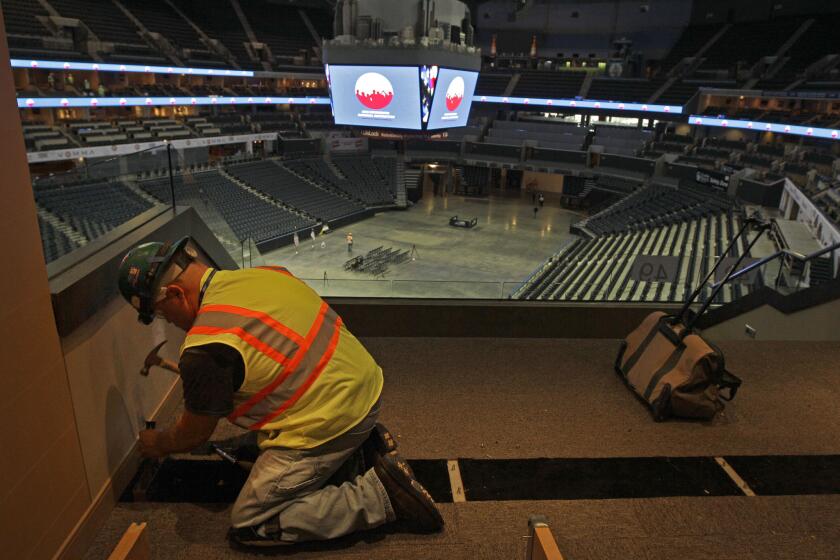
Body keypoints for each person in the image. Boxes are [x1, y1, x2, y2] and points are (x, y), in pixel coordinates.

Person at [117, 237, 443, 547]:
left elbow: (193, 434)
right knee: (252, 449)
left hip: (335, 417)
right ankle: (358, 452)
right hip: (366, 387)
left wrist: (159, 443)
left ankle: (380, 497)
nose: (168, 321)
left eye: (160, 312)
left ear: (176, 293)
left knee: (252, 522)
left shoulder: (206, 347)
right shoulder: (262, 275)